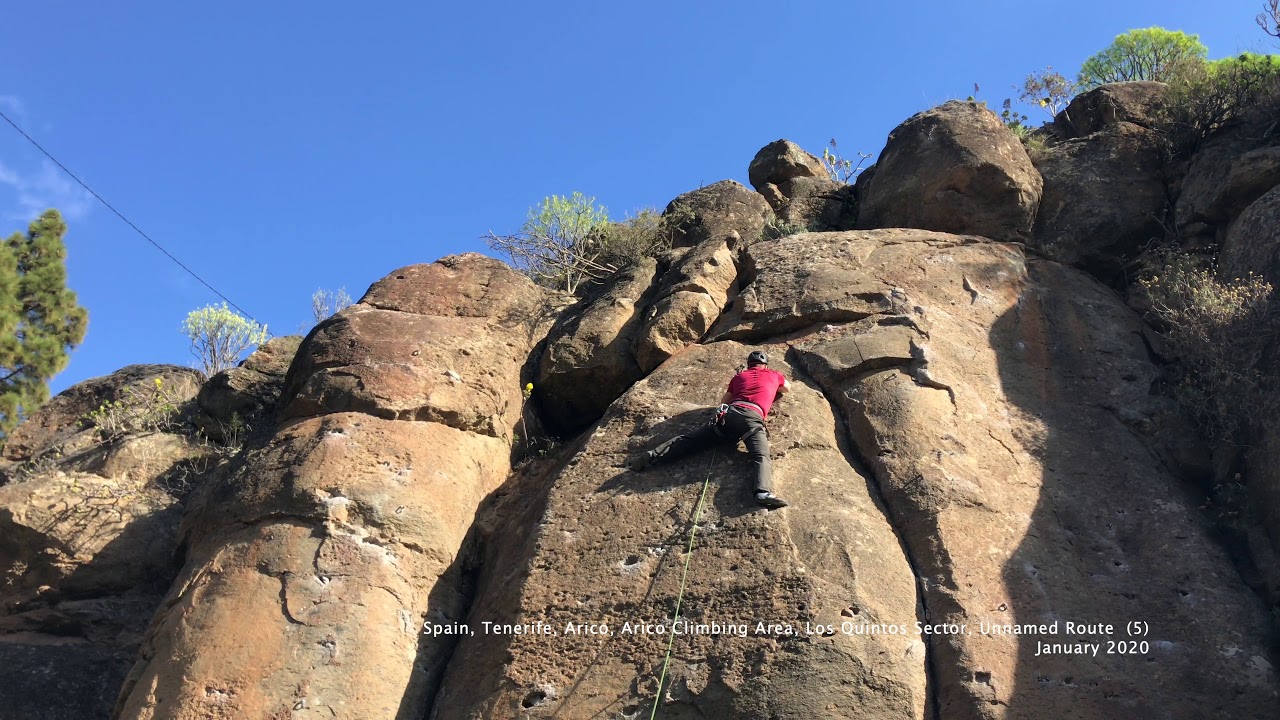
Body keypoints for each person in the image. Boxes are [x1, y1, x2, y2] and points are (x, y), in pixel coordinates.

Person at [631, 350, 790, 509]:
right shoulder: (774, 375)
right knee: (761, 455)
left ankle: (652, 455)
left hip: (729, 415)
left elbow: (725, 400)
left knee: (692, 440)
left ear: (749, 365)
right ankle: (762, 493)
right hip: (751, 418)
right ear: (765, 365)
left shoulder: (739, 377)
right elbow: (786, 389)